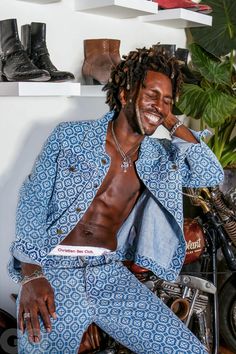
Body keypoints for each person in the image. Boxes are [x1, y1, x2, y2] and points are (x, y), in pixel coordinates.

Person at [8, 46, 223, 354]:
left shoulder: (159, 158)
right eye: (151, 94)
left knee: (186, 350)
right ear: (126, 94)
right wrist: (32, 276)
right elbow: (33, 201)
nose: (160, 105)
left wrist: (168, 119)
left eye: (167, 100)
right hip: (53, 271)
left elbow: (210, 172)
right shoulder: (70, 137)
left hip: (108, 274)